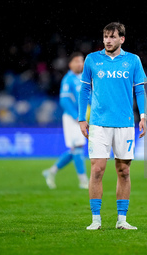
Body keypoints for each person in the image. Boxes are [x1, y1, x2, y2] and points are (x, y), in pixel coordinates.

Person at [79, 22, 147, 230]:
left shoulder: (133, 61)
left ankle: (122, 219)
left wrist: (143, 116)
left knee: (124, 171)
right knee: (97, 169)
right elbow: (84, 91)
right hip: (99, 124)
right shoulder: (92, 60)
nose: (107, 40)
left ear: (121, 39)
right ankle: (95, 220)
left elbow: (140, 91)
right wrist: (82, 118)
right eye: (105, 37)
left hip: (125, 123)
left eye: (112, 37)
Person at [43, 52, 90, 189]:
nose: (80, 63)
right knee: (78, 147)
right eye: (76, 61)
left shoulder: (84, 78)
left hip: (82, 117)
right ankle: (83, 181)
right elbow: (64, 100)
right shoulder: (68, 79)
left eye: (81, 61)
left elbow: (91, 97)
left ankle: (51, 171)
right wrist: (76, 116)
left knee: (75, 150)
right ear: (70, 64)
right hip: (72, 118)